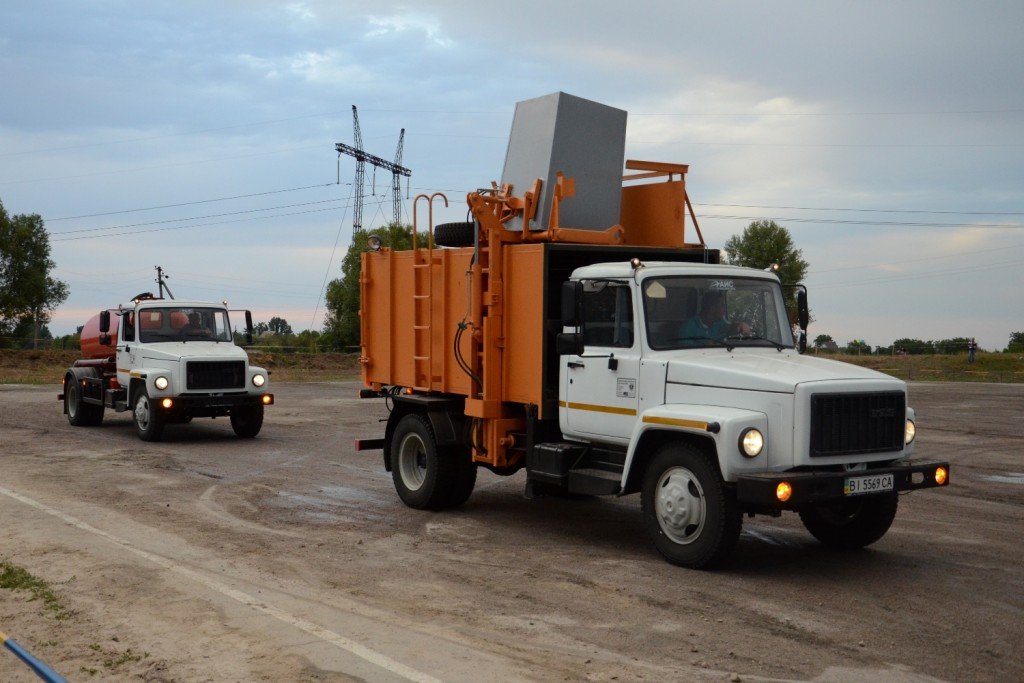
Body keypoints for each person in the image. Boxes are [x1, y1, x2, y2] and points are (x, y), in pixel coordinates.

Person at [678, 291, 750, 343]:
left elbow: (730, 327)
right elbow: (684, 352)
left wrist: (740, 325)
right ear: (711, 307)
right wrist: (707, 345)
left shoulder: (720, 323)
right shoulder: (688, 328)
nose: (724, 309)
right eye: (721, 305)